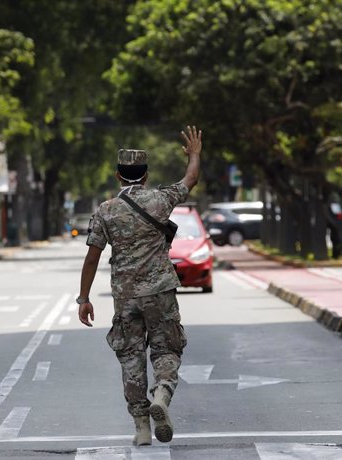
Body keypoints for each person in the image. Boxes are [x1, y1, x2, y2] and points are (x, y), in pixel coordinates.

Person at [77, 126, 202, 446]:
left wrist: (84, 298)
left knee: (131, 358)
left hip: (126, 295)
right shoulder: (161, 200)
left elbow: (92, 257)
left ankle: (141, 427)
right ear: (145, 176)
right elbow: (190, 180)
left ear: (119, 176)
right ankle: (161, 394)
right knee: (167, 348)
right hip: (160, 291)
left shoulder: (106, 210)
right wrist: (195, 156)